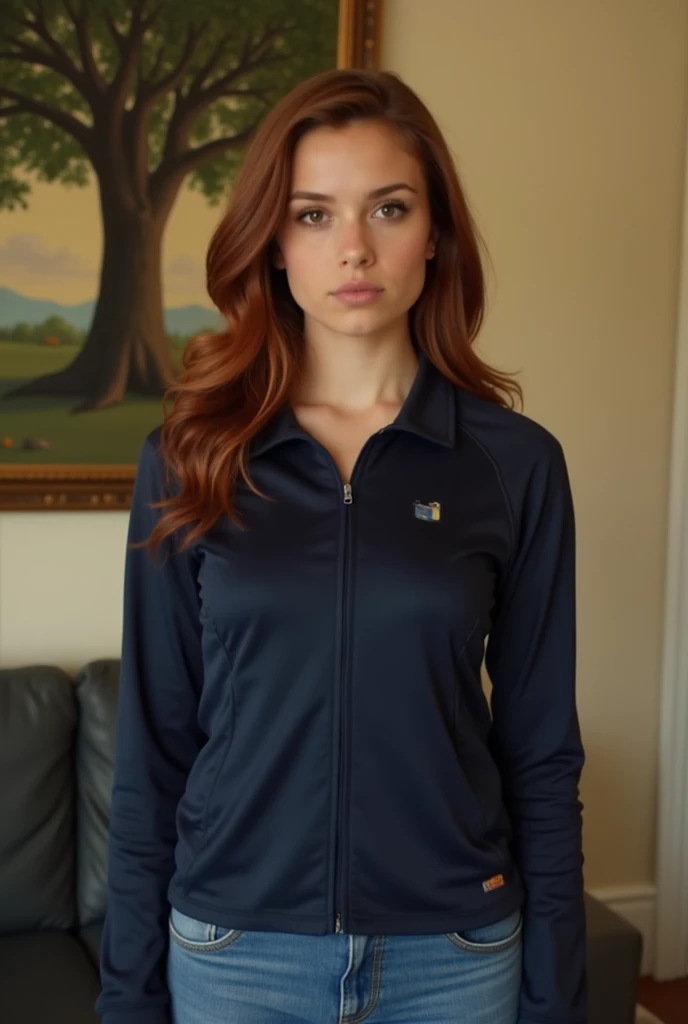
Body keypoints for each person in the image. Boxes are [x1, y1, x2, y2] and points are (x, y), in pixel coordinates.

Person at [95, 68, 587, 1024]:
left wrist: (554, 995)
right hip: (237, 956)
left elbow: (539, 752)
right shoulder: (191, 457)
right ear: (273, 243)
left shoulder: (514, 466)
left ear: (434, 231)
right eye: (314, 215)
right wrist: (129, 996)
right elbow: (153, 749)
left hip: (454, 956)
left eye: (388, 209)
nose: (354, 248)